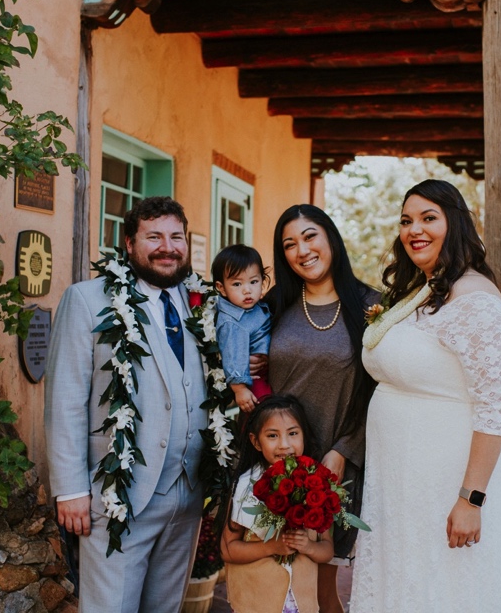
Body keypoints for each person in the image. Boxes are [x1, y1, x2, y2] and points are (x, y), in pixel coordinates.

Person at [348, 179, 501, 612]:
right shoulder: (420, 292)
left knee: (443, 589)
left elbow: (496, 407)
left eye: (429, 218)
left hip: (450, 479)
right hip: (400, 480)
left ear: (455, 225)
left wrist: (470, 499)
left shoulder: (475, 298)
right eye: (406, 221)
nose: (414, 230)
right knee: (402, 585)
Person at [44, 197, 208, 612]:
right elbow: (65, 400)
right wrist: (70, 491)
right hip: (119, 495)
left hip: (187, 497)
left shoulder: (200, 305)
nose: (167, 247)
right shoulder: (86, 300)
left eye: (176, 237)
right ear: (130, 243)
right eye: (154, 237)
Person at [266, 204, 378, 613]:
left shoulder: (372, 307)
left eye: (310, 236)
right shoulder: (273, 305)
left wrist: (345, 450)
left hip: (334, 469)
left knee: (320, 590)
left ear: (330, 237)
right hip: (275, 465)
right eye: (290, 244)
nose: (303, 250)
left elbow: (383, 392)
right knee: (274, 586)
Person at [221, 396, 334, 613]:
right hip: (256, 602)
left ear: (303, 436)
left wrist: (309, 547)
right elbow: (228, 549)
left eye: (293, 433)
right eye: (272, 436)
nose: (284, 445)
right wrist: (273, 546)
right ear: (256, 441)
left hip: (302, 603)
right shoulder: (245, 486)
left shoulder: (316, 483)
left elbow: (327, 550)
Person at [212, 244, 273, 412]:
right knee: (265, 410)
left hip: (269, 370)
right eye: (237, 284)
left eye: (254, 282)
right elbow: (233, 356)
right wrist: (240, 389)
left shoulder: (256, 307)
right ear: (221, 288)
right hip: (254, 379)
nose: (247, 290)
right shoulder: (231, 322)